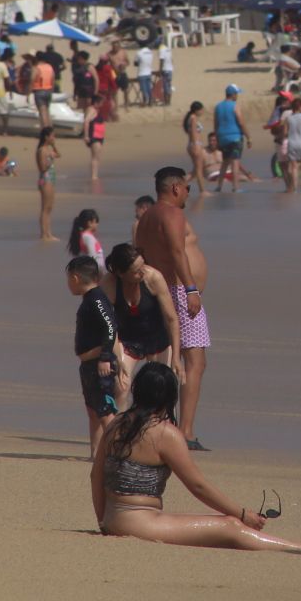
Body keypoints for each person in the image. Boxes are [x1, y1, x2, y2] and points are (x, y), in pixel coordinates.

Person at [93, 362, 301, 552]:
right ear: (168, 397)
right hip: (141, 524)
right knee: (230, 526)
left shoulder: (116, 424)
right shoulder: (165, 434)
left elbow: (96, 475)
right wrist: (242, 514)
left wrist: (104, 521)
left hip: (114, 519)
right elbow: (197, 486)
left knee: (226, 522)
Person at [135, 167, 213, 449]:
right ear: (176, 188)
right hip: (179, 291)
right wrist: (191, 289)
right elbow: (179, 253)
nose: (188, 195)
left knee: (161, 360)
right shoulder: (173, 214)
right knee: (195, 362)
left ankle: (154, 422)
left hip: (160, 290)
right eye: (188, 189)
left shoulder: (147, 218)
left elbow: (140, 254)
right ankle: (186, 432)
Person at [103, 242, 181, 401]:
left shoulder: (153, 277)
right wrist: (116, 357)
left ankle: (166, 424)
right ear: (120, 273)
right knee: (120, 386)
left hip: (158, 337)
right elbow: (107, 325)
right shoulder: (109, 284)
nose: (142, 272)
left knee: (163, 389)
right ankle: (120, 425)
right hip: (127, 340)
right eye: (136, 271)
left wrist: (176, 358)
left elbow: (172, 320)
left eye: (143, 265)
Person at [68, 255, 119, 450]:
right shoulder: (90, 299)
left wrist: (105, 357)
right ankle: (96, 453)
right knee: (93, 410)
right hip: (88, 364)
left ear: (75, 278)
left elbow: (110, 326)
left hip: (100, 364)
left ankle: (117, 452)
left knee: (105, 410)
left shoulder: (97, 299)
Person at [280, 93, 301, 193]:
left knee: (294, 167)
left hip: (292, 143)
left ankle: (294, 189)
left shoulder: (288, 119)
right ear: (300, 107)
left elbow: (285, 133)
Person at [35, 126, 61, 243]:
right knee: (45, 208)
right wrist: (49, 158)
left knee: (50, 207)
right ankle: (44, 234)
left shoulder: (48, 149)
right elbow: (42, 167)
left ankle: (48, 233)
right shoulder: (42, 150)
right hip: (45, 180)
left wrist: (54, 146)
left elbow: (59, 154)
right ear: (47, 137)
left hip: (51, 179)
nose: (54, 137)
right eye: (52, 136)